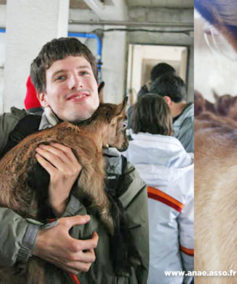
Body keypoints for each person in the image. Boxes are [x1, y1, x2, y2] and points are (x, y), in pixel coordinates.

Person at [0, 37, 149, 283]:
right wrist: (33, 239)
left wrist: (63, 206)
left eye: (84, 72)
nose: (76, 82)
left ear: (96, 88)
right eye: (60, 77)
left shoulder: (123, 177)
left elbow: (132, 274)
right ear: (43, 98)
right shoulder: (10, 132)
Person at [124, 94, 194, 284]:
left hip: (120, 274)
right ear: (168, 121)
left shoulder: (117, 162)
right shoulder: (186, 170)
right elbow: (190, 240)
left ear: (134, 119)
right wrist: (187, 276)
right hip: (166, 276)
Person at [149, 74, 194, 153]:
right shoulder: (180, 120)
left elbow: (178, 161)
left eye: (156, 105)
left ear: (166, 101)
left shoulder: (190, 126)